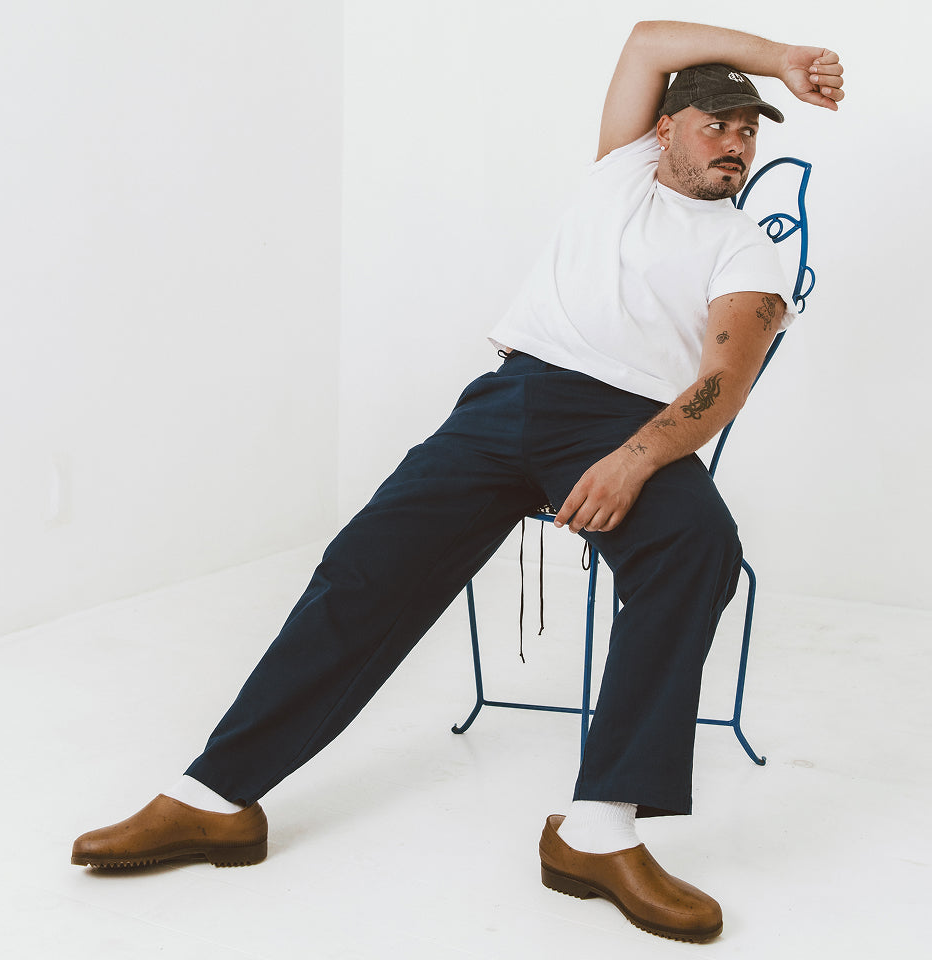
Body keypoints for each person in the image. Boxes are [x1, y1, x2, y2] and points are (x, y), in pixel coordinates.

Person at [71, 20, 844, 944]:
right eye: (717, 121)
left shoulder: (746, 241)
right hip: (510, 398)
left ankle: (597, 829)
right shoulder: (619, 171)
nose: (736, 142)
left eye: (750, 130)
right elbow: (646, 39)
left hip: (627, 422)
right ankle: (216, 797)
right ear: (666, 128)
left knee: (700, 546)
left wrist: (637, 456)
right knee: (366, 564)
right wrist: (785, 62)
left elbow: (725, 379)